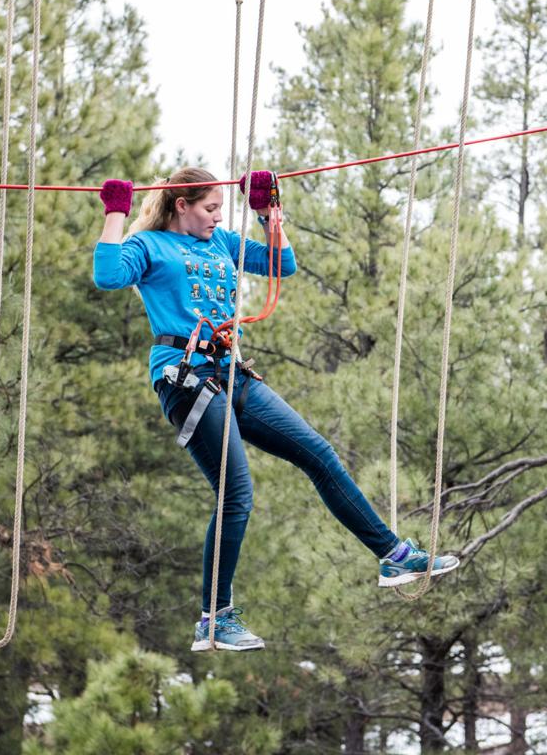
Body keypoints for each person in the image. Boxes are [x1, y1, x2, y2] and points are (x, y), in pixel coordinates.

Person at [93, 168, 459, 652]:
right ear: (181, 205)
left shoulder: (222, 242)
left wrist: (267, 215)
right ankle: (214, 618)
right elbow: (107, 274)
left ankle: (393, 555)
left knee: (318, 453)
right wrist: (116, 213)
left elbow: (282, 264)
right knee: (236, 493)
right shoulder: (149, 246)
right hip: (185, 378)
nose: (218, 216)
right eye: (209, 208)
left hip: (232, 371)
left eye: (222, 208)